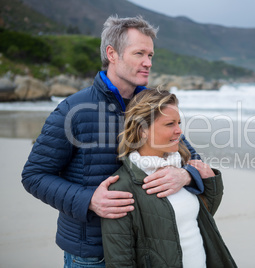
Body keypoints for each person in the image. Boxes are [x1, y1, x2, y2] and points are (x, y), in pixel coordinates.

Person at [21, 15, 203, 267]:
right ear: (112, 53)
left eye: (150, 55)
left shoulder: (153, 107)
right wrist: (89, 200)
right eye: (139, 53)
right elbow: (34, 176)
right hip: (92, 253)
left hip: (146, 249)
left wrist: (185, 175)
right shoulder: (73, 110)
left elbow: (192, 159)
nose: (148, 62)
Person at [101, 89, 237, 267]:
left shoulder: (183, 168)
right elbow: (120, 261)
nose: (179, 131)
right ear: (142, 130)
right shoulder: (121, 187)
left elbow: (204, 216)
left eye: (179, 123)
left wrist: (211, 182)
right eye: (169, 124)